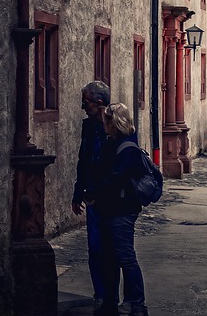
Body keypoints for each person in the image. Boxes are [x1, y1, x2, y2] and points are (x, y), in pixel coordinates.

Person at [86, 103, 150, 316]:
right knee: (110, 258)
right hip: (109, 209)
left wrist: (94, 192)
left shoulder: (127, 148)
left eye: (106, 120)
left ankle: (137, 304)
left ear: (114, 122)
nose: (103, 123)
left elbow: (114, 178)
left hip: (122, 210)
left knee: (125, 257)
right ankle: (112, 301)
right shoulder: (111, 143)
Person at [72, 81, 112, 309]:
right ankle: (101, 294)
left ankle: (115, 298)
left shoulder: (116, 124)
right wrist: (79, 192)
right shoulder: (88, 127)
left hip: (112, 198)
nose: (82, 107)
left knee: (114, 249)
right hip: (92, 198)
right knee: (95, 248)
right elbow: (83, 160)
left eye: (85, 102)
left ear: (98, 103)